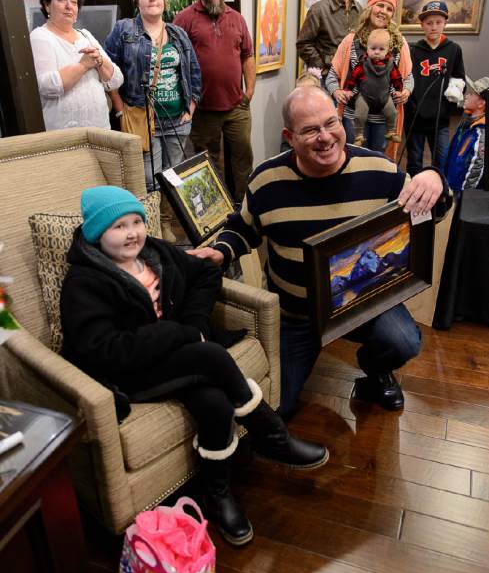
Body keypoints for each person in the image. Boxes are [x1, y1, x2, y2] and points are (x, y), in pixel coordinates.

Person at [60, 185, 328, 545]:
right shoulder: (84, 282)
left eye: (137, 221)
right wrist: (180, 334)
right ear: (96, 234)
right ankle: (271, 435)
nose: (132, 233)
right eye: (118, 226)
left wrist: (196, 325)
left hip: (173, 358)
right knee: (210, 355)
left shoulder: (156, 253)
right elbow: (103, 351)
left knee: (216, 403)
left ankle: (216, 495)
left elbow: (205, 273)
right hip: (128, 372)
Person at [188, 86, 450, 419]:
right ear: (289, 136)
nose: (325, 137)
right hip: (297, 315)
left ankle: (375, 368)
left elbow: (431, 211)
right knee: (277, 407)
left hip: (364, 305)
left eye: (330, 123)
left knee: (403, 341)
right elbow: (243, 228)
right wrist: (221, 252)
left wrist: (434, 178)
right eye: (310, 130)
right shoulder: (266, 180)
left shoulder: (380, 171)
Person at [104, 0, 201, 191]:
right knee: (150, 181)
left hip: (178, 120)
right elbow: (107, 71)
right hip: (143, 120)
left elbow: (194, 72)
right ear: (136, 0)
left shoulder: (178, 34)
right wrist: (120, 109)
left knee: (175, 178)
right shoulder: (124, 30)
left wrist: (191, 107)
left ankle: (167, 221)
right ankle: (154, 222)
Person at [173, 0, 255, 203]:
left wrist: (248, 92)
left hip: (237, 107)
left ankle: (244, 209)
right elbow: (174, 61)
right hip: (203, 110)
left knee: (243, 159)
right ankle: (216, 212)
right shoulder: (184, 19)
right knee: (207, 163)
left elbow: (247, 56)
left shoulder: (237, 19)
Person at [326, 0, 413, 159]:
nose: (383, 11)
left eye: (389, 9)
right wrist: (336, 91)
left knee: (379, 162)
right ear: (370, 7)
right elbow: (332, 75)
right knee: (353, 159)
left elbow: (408, 77)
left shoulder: (398, 43)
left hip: (384, 120)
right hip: (353, 117)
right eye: (380, 5)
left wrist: (406, 91)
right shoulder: (351, 41)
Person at [30, 0, 123, 131]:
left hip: (100, 129)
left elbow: (116, 79)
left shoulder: (85, 35)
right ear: (46, 5)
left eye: (73, 2)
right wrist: (83, 66)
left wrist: (100, 61)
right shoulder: (40, 37)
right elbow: (46, 86)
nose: (69, 6)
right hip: (66, 136)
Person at [404, 1, 466, 177]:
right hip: (415, 117)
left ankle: (439, 196)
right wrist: (410, 107)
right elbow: (405, 79)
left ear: (445, 23)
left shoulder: (453, 49)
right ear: (422, 24)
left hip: (440, 118)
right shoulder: (412, 49)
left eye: (438, 22)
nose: (433, 27)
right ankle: (414, 195)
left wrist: (449, 107)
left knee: (441, 160)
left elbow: (459, 79)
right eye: (429, 23)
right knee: (414, 160)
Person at [296, 0, 362, 80]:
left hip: (352, 79)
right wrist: (322, 65)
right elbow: (303, 44)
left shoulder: (359, 10)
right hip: (327, 79)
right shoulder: (318, 10)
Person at [343, 28, 403, 147]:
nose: (376, 52)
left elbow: (397, 78)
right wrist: (348, 90)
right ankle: (359, 135)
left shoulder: (390, 64)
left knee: (392, 112)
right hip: (364, 96)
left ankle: (391, 131)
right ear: (367, 48)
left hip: (384, 97)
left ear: (387, 50)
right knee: (360, 114)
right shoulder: (363, 63)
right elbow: (353, 78)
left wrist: (399, 90)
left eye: (381, 49)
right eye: (373, 48)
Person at [445, 76, 489, 192]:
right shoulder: (467, 122)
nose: (466, 95)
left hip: (460, 193)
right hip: (452, 186)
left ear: (481, 104)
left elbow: (476, 169)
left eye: (472, 94)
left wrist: (463, 197)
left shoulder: (481, 131)